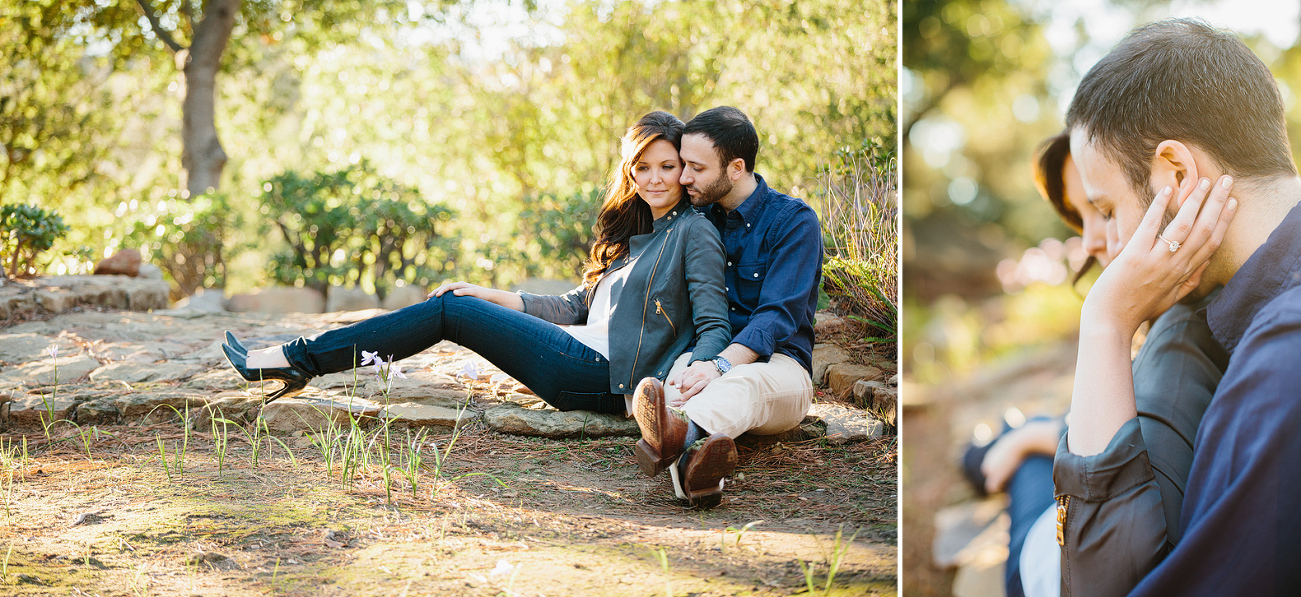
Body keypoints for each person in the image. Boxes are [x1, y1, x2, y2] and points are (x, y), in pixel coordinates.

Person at [221, 110, 732, 433]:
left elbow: (713, 324)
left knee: (449, 311)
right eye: (642, 167)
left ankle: (295, 360)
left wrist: (691, 376)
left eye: (667, 166)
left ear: (684, 169)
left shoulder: (694, 232)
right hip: (580, 355)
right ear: (629, 171)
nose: (655, 178)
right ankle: (295, 360)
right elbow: (575, 306)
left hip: (604, 376)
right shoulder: (638, 235)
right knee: (460, 303)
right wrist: (490, 294)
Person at [1057, 18, 1301, 595]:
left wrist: (1105, 324)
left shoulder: (1282, 364)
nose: (1106, 244)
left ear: (1175, 174)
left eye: (1108, 208)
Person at [964, 131, 1230, 597]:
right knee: (1034, 431)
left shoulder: (1182, 338)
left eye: (1103, 211)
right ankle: (1003, 440)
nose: (1088, 242)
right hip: (1078, 532)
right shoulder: (1186, 322)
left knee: (1015, 455)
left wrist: (1105, 319)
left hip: (1046, 568)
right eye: (1081, 216)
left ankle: (989, 449)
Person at [630, 106, 823, 507]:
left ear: (735, 168)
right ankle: (698, 475)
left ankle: (676, 433)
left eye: (695, 169)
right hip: (706, 357)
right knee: (673, 386)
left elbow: (776, 318)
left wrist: (720, 365)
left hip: (779, 368)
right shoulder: (698, 219)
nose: (683, 178)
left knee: (742, 383)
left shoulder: (793, 222)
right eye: (683, 165)